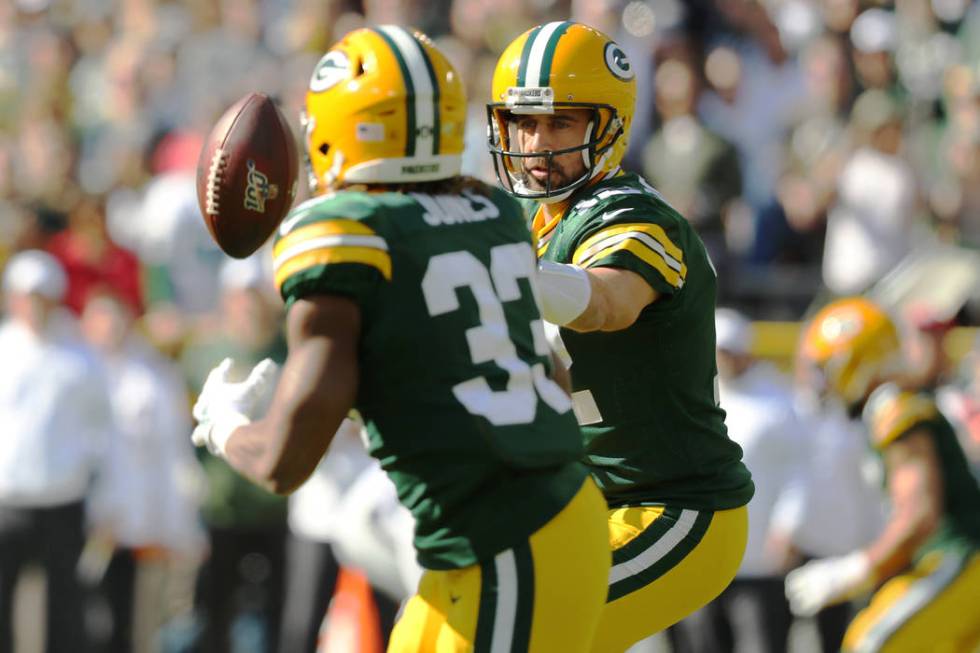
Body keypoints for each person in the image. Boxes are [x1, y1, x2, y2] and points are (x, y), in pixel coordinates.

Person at [191, 26, 610, 653]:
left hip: (505, 547)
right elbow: (547, 377)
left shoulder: (337, 234)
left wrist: (224, 426)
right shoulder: (491, 211)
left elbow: (285, 462)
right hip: (528, 527)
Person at [486, 21, 754, 652]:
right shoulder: (527, 220)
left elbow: (607, 302)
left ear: (606, 127)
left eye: (559, 124)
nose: (535, 143)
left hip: (674, 506)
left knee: (529, 634)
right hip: (585, 504)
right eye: (523, 124)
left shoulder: (630, 212)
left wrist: (498, 264)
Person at [786, 297, 980, 652]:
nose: (824, 382)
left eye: (828, 368)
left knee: (869, 643)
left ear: (856, 360)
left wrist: (856, 569)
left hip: (963, 555)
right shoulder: (894, 403)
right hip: (955, 559)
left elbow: (920, 512)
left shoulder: (893, 407)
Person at [671, 308, 807, 653]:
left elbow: (798, 473)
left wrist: (788, 528)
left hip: (759, 558)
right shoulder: (693, 396)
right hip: (705, 556)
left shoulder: (777, 403)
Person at [0, 250, 115, 653]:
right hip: (8, 501)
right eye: (24, 295)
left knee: (65, 609)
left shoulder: (81, 356)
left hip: (64, 501)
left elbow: (103, 431)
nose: (32, 304)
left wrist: (103, 498)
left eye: (41, 295)